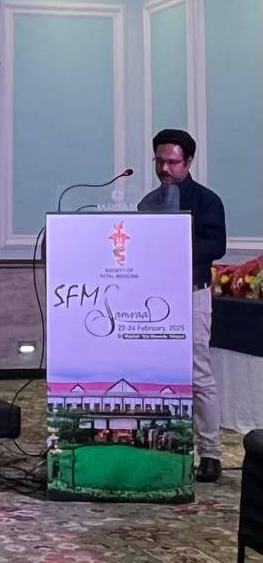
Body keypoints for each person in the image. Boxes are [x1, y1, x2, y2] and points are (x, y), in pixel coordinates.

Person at [137, 128, 227, 483]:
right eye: (159, 161)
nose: (164, 168)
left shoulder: (207, 201)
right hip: (154, 298)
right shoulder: (148, 203)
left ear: (188, 162)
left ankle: (211, 453)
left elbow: (216, 246)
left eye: (172, 162)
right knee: (157, 372)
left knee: (198, 374)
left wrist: (174, 249)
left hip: (191, 293)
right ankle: (166, 446)